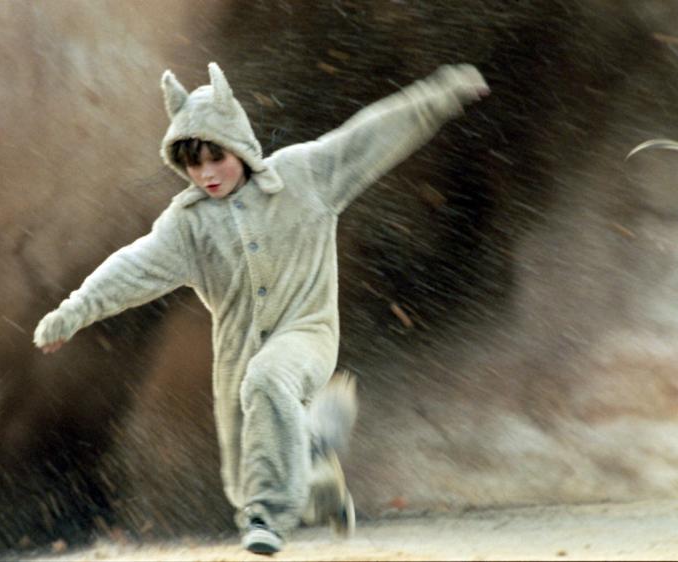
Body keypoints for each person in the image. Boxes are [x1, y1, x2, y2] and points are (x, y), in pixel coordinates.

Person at [33, 61, 489, 554]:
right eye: (193, 164)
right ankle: (316, 459)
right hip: (238, 358)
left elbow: (368, 137)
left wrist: (439, 95)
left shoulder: (303, 175)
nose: (206, 174)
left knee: (269, 384)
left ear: (240, 145)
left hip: (307, 335)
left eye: (216, 158)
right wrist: (74, 311)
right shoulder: (187, 224)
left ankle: (270, 516)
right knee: (247, 467)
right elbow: (132, 268)